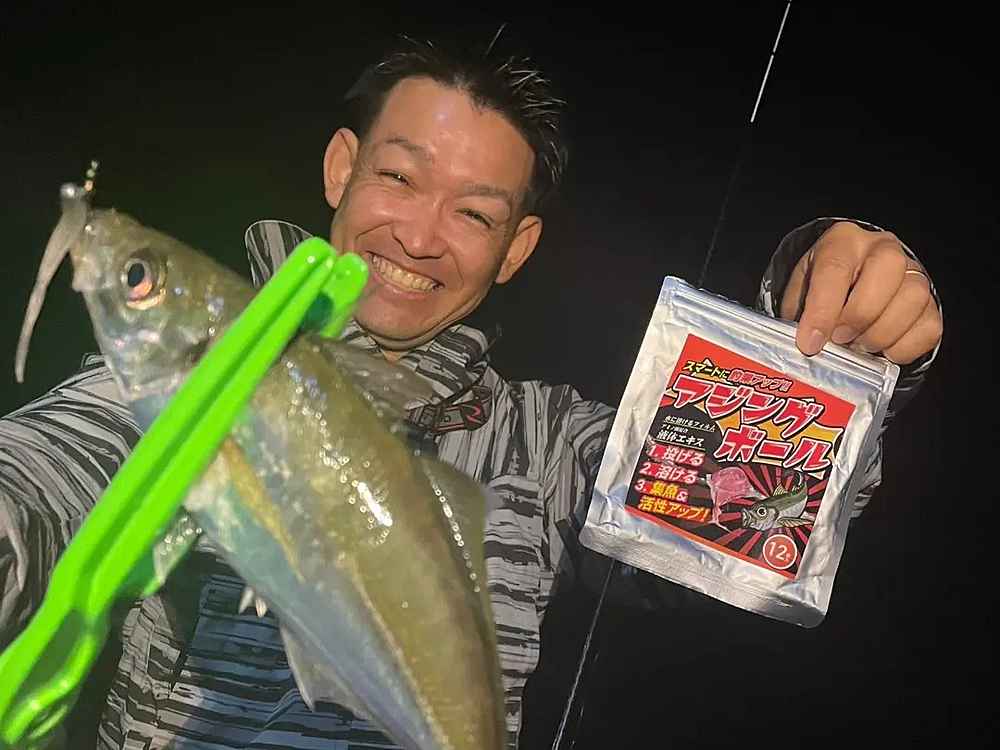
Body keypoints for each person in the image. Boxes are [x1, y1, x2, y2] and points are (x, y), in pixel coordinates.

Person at [0, 33, 943, 750]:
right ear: (341, 168)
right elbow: (48, 472)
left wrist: (827, 339)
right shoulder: (181, 386)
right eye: (399, 177)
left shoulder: (545, 443)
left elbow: (752, 498)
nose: (419, 237)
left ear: (516, 248)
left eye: (475, 214)